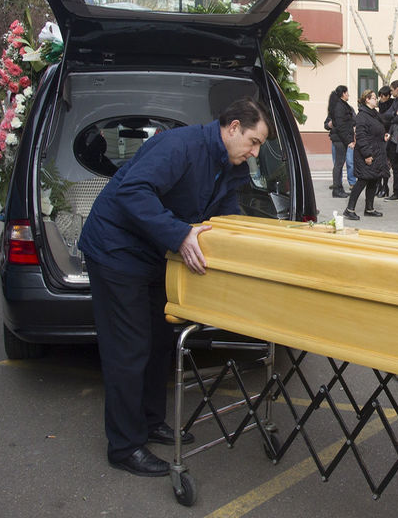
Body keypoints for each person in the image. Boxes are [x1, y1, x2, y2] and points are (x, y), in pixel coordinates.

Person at [78, 98, 273, 476]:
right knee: (128, 349)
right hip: (116, 250)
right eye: (253, 141)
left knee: (159, 342)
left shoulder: (228, 163)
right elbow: (132, 192)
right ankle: (124, 446)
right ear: (232, 127)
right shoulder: (180, 146)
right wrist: (181, 234)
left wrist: (248, 245)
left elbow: (226, 210)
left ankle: (150, 422)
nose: (254, 151)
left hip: (153, 253)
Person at [343, 89, 389, 220]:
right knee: (362, 181)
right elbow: (361, 136)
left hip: (377, 151)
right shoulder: (362, 116)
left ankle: (369, 208)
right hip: (367, 153)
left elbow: (377, 129)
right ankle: (349, 209)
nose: (376, 99)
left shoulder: (374, 114)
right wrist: (367, 155)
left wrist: (383, 136)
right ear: (367, 99)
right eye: (374, 97)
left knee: (373, 180)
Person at [328, 85, 356, 198]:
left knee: (339, 164)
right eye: (347, 92)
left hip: (341, 139)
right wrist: (348, 140)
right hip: (340, 140)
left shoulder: (342, 105)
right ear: (343, 93)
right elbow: (341, 126)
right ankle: (337, 189)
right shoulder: (339, 106)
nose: (348, 94)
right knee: (339, 165)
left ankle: (339, 188)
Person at [377, 85, 395, 198]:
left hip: (389, 136)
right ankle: (378, 186)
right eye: (380, 96)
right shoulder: (379, 105)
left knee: (386, 164)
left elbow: (389, 119)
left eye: (383, 96)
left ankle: (385, 186)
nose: (381, 98)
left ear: (388, 95)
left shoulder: (393, 104)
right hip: (380, 136)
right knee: (378, 163)